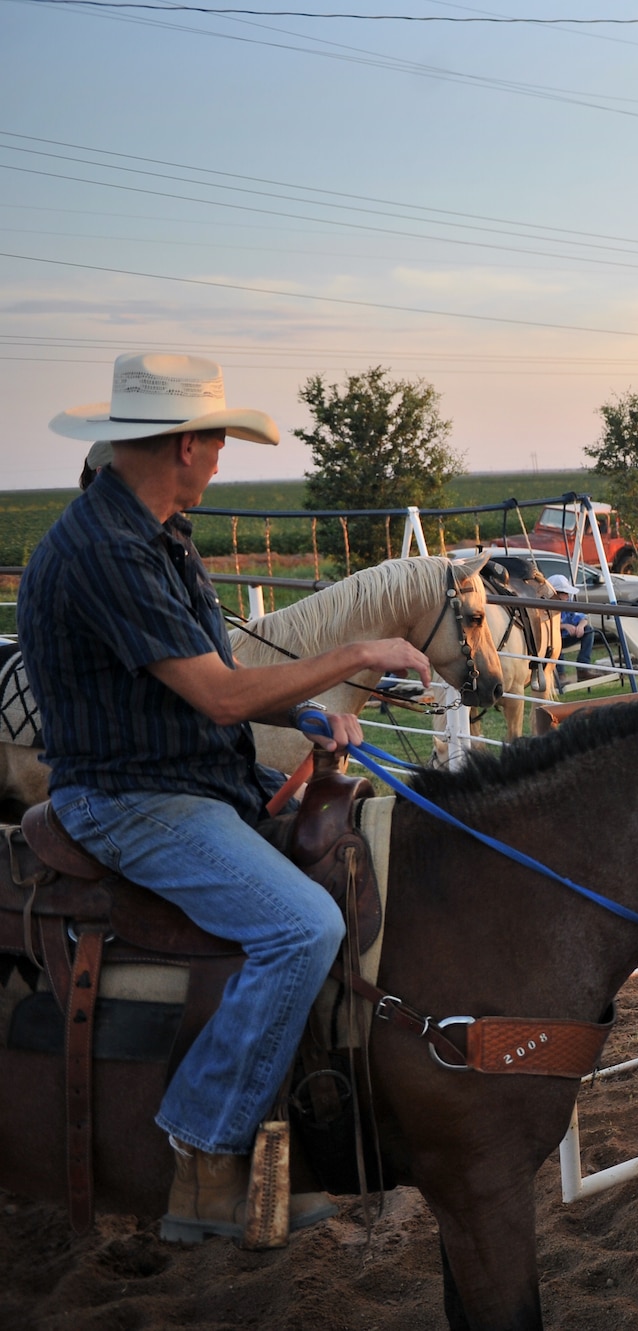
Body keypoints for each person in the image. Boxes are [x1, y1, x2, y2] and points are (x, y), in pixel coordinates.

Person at [18, 353, 433, 1244]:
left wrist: (310, 708)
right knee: (301, 926)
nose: (220, 460)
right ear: (187, 443)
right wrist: (359, 652)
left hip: (198, 779)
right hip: (132, 799)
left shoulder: (158, 536)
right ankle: (205, 1155)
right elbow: (218, 696)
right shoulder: (105, 552)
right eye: (218, 443)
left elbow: (226, 679)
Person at [544, 573, 600, 686]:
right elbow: (545, 624)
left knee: (589, 630)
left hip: (567, 636)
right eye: (565, 593)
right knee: (555, 638)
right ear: (555, 594)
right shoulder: (546, 606)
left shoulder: (568, 603)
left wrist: (580, 626)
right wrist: (564, 626)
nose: (567, 596)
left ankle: (583, 668)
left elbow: (583, 618)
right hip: (552, 639)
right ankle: (560, 675)